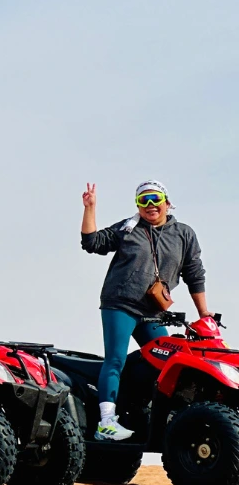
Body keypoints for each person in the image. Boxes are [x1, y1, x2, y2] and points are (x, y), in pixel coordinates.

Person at [80, 180, 208, 441]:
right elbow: (92, 242)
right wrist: (90, 208)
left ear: (167, 202)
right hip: (120, 304)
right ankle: (106, 422)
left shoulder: (184, 234)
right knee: (116, 359)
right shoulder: (129, 228)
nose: (150, 206)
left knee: (169, 361)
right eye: (144, 201)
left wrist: (204, 316)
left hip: (154, 313)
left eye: (155, 199)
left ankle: (152, 416)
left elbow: (194, 275)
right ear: (138, 206)